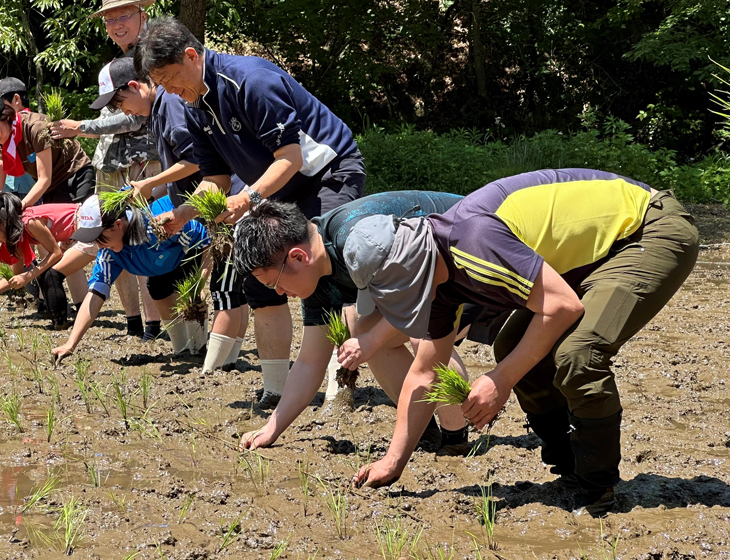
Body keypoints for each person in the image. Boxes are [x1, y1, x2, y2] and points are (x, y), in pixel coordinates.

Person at [344, 169, 698, 517]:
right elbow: (424, 374)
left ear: (413, 267)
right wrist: (392, 461)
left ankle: (597, 490)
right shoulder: (439, 286)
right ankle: (570, 469)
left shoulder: (473, 241)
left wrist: (500, 379)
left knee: (578, 353)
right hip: (594, 255)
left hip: (646, 229)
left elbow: (562, 307)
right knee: (514, 344)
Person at [134, 18, 366, 406]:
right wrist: (185, 212)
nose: (170, 91)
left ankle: (341, 387)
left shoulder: (252, 81)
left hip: (326, 173)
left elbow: (290, 158)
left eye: (171, 79)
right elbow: (217, 180)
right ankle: (276, 389)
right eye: (162, 85)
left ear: (192, 56)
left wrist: (248, 200)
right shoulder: (193, 106)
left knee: (327, 270)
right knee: (259, 276)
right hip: (274, 187)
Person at [233, 193, 508, 453]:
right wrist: (272, 428)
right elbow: (309, 362)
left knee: (415, 332)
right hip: (432, 284)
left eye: (275, 283)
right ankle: (421, 430)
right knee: (365, 330)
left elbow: (418, 299)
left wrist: (371, 340)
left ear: (298, 257)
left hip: (478, 252)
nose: (280, 293)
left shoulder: (355, 238)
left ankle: (455, 437)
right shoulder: (315, 274)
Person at [90, 55, 249, 367]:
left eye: (121, 103)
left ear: (134, 86)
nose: (123, 111)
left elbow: (198, 161)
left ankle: (220, 366)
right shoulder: (158, 110)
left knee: (225, 287)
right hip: (195, 207)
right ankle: (211, 358)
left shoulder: (170, 106)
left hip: (216, 203)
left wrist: (151, 182)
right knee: (212, 287)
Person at [50, 0, 161, 341]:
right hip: (108, 166)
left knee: (145, 238)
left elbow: (136, 116)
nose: (116, 24)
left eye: (123, 15)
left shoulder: (156, 58)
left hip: (142, 166)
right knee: (109, 242)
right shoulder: (114, 66)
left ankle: (155, 325)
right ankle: (132, 321)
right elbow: (107, 119)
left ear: (143, 14)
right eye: (110, 19)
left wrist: (80, 127)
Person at [51, 194, 210, 359]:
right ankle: (182, 351)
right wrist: (71, 344)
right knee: (158, 289)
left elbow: (204, 239)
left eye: (99, 237)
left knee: (192, 297)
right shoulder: (109, 253)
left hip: (188, 250)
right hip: (160, 265)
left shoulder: (158, 225)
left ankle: (200, 349)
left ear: (118, 225)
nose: (98, 245)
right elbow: (95, 294)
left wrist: (199, 283)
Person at [0, 192, 91, 328]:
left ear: (2, 224)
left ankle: (61, 324)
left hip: (87, 225)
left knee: (49, 273)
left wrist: (29, 275)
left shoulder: (29, 222)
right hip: (71, 237)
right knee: (44, 271)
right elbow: (15, 276)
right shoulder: (16, 235)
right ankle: (64, 322)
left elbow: (56, 253)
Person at [0, 95, 94, 207]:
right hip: (51, 187)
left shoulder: (34, 128)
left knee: (73, 224)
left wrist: (19, 207)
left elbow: (44, 179)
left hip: (75, 174)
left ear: (5, 117)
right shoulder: (0, 143)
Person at [0, 77, 49, 199]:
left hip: (32, 190)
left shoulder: (33, 127)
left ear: (16, 99)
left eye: (0, 103)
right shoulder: (3, 139)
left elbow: (44, 178)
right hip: (14, 188)